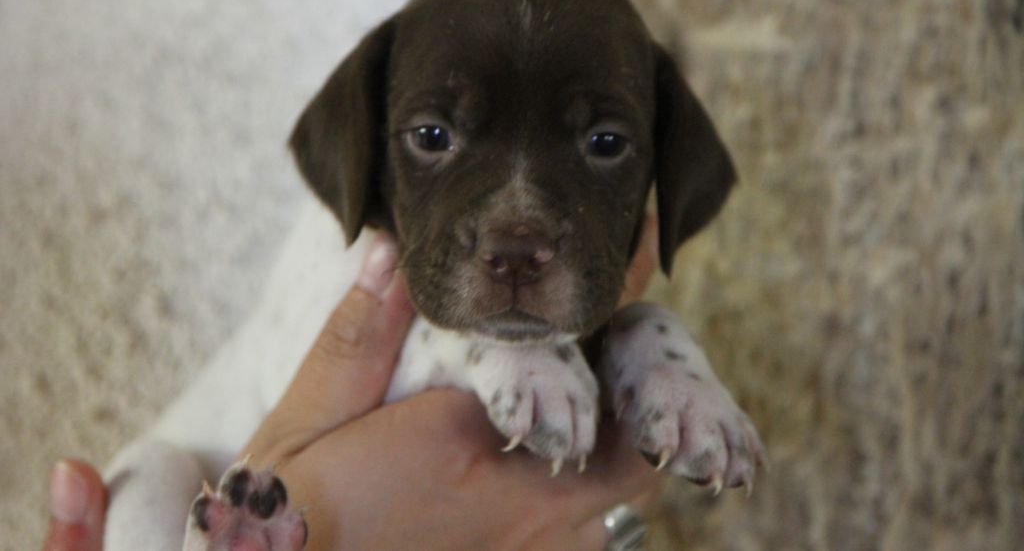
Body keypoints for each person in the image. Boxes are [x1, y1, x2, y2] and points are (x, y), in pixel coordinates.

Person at [43, 222, 663, 550]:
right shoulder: (346, 245)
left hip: (251, 505)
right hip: (200, 493)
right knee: (148, 476)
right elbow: (312, 375)